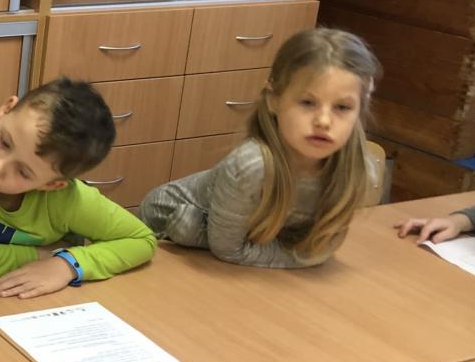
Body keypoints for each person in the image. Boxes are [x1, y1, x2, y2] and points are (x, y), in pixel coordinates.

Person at [141, 28, 381, 268]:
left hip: (240, 244)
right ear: (273, 100)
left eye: (342, 107)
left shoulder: (359, 172)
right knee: (187, 227)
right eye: (308, 103)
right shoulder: (251, 166)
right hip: (164, 226)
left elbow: (321, 246)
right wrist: (303, 258)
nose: (324, 121)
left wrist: (307, 256)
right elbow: (230, 249)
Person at [0, 77, 156, 298]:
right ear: (7, 109)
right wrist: (40, 255)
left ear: (51, 185)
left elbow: (141, 239)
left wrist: (66, 265)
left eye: (22, 171)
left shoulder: (67, 199)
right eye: (4, 142)